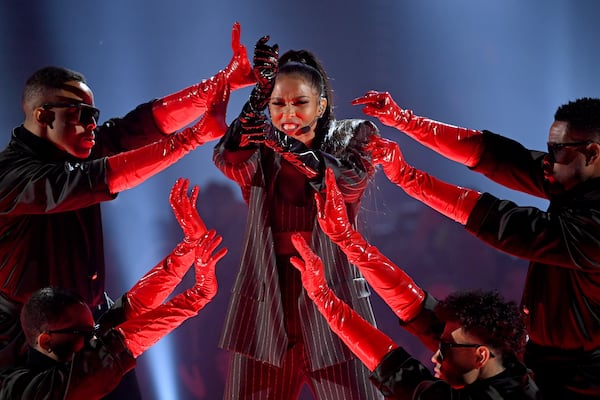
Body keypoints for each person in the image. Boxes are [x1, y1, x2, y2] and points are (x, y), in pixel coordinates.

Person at [0, 21, 251, 372]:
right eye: (82, 114)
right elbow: (95, 179)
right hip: (31, 355)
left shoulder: (76, 150)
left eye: (94, 115)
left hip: (92, 327)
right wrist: (193, 137)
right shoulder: (11, 176)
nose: (93, 124)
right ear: (43, 115)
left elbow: (142, 126)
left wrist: (222, 82)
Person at [352, 91, 600, 399]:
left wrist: (407, 177)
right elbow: (498, 156)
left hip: (580, 385)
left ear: (592, 153)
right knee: (440, 336)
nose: (546, 160)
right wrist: (404, 121)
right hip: (538, 366)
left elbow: (504, 223)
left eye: (558, 151)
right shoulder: (575, 180)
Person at [213, 38, 382, 399]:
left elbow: (349, 182)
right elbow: (228, 160)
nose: (289, 113)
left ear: (321, 105)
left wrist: (292, 148)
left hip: (337, 307)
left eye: (300, 103)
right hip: (265, 313)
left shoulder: (353, 134)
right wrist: (257, 97)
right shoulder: (262, 142)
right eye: (278, 103)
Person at [286, 168, 539, 399]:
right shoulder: (511, 367)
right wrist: (345, 238)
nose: (434, 355)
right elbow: (417, 309)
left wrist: (323, 297)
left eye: (445, 349)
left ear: (481, 356)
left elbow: (391, 364)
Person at [0, 177, 227, 400]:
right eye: (85, 334)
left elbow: (130, 309)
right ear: (46, 341)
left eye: (94, 330)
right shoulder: (22, 390)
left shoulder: (75, 348)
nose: (96, 337)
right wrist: (197, 296)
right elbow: (120, 343)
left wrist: (188, 247)